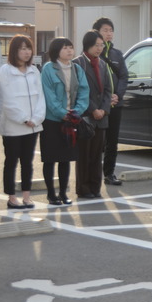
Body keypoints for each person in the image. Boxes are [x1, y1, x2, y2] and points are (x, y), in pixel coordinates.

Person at [40, 38, 90, 205]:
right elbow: (49, 96)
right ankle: (51, 194)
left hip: (71, 120)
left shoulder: (76, 68)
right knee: (50, 158)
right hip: (52, 120)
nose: (69, 51)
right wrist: (62, 113)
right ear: (56, 51)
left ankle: (63, 193)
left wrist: (77, 111)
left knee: (65, 157)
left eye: (71, 47)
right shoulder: (48, 68)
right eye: (65, 48)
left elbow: (84, 91)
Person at [0, 35, 46, 209]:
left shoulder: (34, 70)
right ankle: (12, 197)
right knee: (11, 161)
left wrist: (36, 118)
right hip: (13, 126)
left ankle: (27, 196)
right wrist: (24, 118)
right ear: (14, 51)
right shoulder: (5, 71)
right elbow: (6, 99)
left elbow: (41, 97)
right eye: (22, 48)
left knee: (28, 161)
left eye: (29, 48)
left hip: (33, 126)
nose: (27, 52)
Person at [73, 30, 113, 199]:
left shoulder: (103, 64)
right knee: (84, 155)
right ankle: (83, 188)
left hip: (101, 116)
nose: (99, 48)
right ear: (87, 45)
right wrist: (93, 109)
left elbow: (108, 90)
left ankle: (95, 187)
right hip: (86, 116)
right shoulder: (78, 64)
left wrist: (104, 109)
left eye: (101, 45)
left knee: (97, 155)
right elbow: (77, 91)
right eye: (96, 45)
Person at [92, 18, 128, 186]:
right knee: (98, 141)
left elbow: (123, 76)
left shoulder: (117, 54)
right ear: (96, 32)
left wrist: (117, 96)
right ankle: (93, 173)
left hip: (116, 104)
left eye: (111, 30)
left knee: (112, 141)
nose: (109, 33)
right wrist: (105, 99)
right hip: (99, 106)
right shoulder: (92, 54)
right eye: (105, 30)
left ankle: (109, 173)